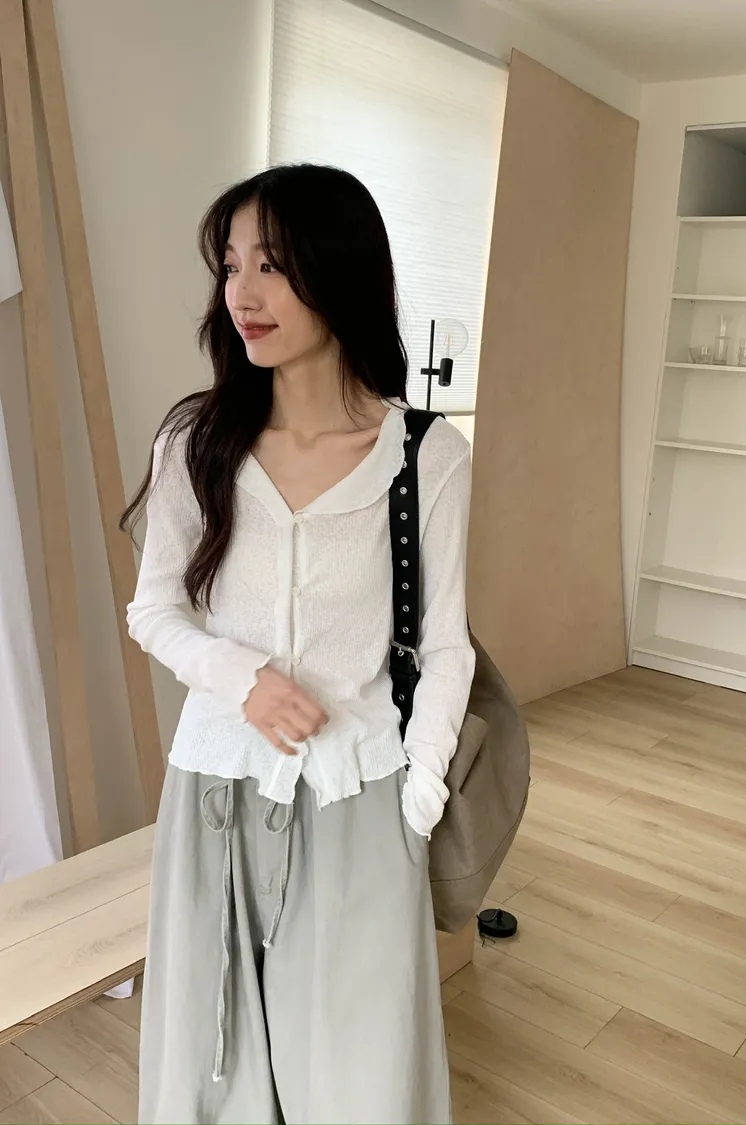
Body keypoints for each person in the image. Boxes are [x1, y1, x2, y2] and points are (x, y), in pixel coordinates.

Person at [123, 163, 475, 1125]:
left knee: (364, 1086)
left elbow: (447, 646)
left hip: (362, 799)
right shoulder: (197, 441)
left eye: (272, 264)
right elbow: (154, 609)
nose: (243, 292)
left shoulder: (427, 457)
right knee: (212, 1079)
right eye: (232, 264)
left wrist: (416, 801)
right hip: (213, 795)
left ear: (339, 269)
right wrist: (243, 679)